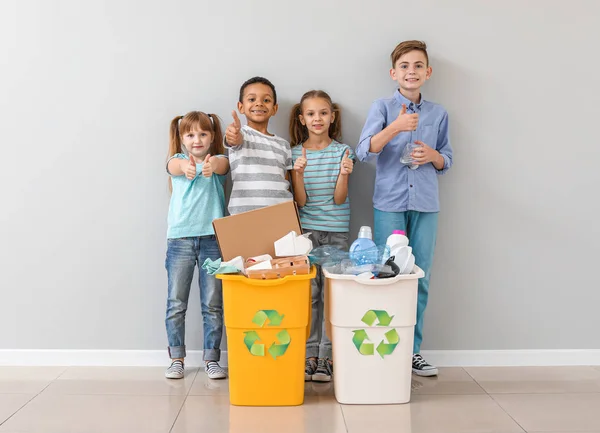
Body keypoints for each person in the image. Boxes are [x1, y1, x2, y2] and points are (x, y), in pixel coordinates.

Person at [356, 40, 453, 377]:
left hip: (426, 206)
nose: (411, 71)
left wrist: (433, 157)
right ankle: (386, 348)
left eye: (418, 66)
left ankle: (413, 351)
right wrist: (395, 127)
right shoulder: (381, 108)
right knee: (388, 275)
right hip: (390, 204)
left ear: (427, 73)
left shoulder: (439, 114)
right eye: (405, 66)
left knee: (420, 276)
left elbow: (447, 160)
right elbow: (363, 152)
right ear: (393, 72)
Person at [290, 90, 355, 382]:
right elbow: (301, 202)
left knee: (332, 294)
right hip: (306, 232)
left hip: (337, 231)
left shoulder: (343, 151)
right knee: (309, 294)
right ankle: (309, 354)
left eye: (323, 113)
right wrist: (298, 174)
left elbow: (340, 199)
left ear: (332, 116)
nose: (318, 119)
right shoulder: (294, 154)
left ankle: (327, 356)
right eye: (311, 114)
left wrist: (344, 173)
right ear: (302, 119)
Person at [164, 111, 229, 380]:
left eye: (203, 134)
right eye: (190, 135)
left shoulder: (218, 161)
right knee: (176, 303)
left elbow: (224, 166)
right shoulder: (178, 160)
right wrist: (188, 168)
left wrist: (210, 166)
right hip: (180, 240)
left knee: (212, 304)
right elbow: (174, 168)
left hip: (213, 239)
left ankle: (211, 359)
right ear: (182, 139)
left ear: (212, 137)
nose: (197, 139)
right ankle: (176, 358)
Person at [224, 76, 293, 215]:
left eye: (266, 100)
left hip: (280, 216)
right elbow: (233, 140)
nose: (259, 103)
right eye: (252, 99)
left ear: (274, 108)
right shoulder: (241, 135)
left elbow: (285, 181)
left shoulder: (284, 145)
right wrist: (233, 135)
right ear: (241, 107)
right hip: (245, 216)